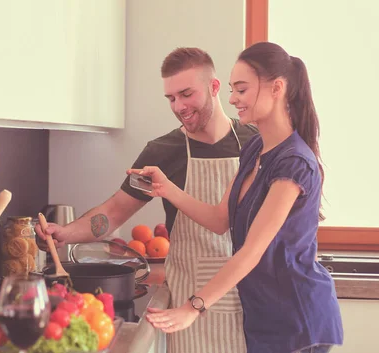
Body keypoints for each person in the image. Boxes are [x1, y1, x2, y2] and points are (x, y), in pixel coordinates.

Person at [36, 47, 258, 352]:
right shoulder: (161, 152)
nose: (179, 106)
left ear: (215, 87)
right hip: (184, 304)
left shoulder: (254, 142)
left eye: (186, 94)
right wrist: (65, 234)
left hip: (247, 300)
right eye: (171, 98)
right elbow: (114, 212)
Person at [131, 42, 344, 353]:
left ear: (277, 89)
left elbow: (252, 251)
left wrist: (193, 306)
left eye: (242, 90)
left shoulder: (293, 163)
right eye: (232, 90)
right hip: (264, 315)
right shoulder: (256, 149)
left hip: (297, 319)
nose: (232, 99)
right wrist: (168, 189)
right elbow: (220, 220)